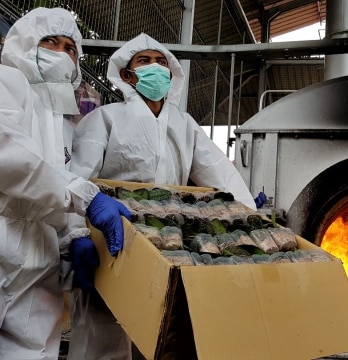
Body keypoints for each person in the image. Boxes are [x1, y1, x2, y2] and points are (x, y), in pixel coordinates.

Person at [67, 32, 257, 359]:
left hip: (168, 242)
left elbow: (220, 173)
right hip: (114, 240)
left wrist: (249, 215)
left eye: (161, 62)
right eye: (145, 61)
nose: (156, 67)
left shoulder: (185, 126)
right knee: (104, 336)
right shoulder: (105, 119)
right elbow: (77, 179)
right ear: (127, 75)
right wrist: (77, 235)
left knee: (164, 334)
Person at [0, 7, 131, 359]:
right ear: (25, 43)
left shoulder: (63, 123)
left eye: (70, 48)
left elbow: (50, 194)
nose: (61, 54)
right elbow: (7, 155)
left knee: (32, 352)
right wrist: (86, 198)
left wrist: (73, 238)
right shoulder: (5, 83)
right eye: (49, 43)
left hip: (37, 265)